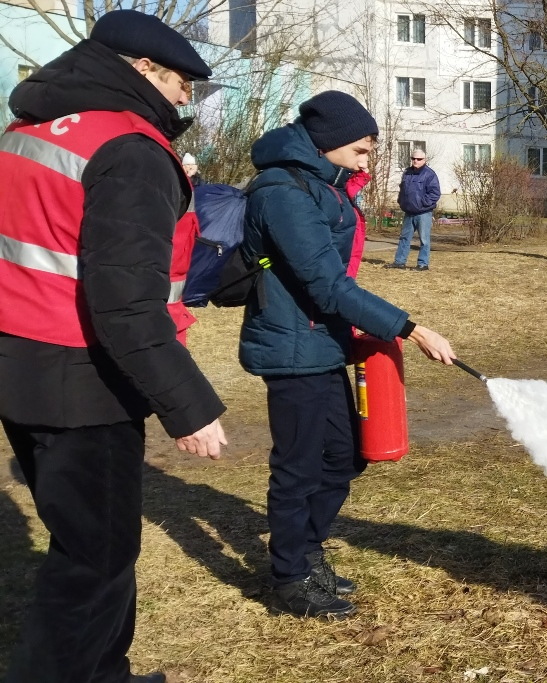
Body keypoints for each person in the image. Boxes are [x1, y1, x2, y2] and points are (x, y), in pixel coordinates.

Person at [0, 10, 227, 683]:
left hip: (21, 366)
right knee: (94, 556)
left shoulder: (29, 128)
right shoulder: (128, 148)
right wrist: (187, 406)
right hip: (84, 379)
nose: (188, 95)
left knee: (87, 543)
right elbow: (124, 302)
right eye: (180, 80)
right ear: (140, 71)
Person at [240, 91, 457, 620]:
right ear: (328, 142)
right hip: (292, 349)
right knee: (297, 467)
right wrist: (410, 328)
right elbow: (326, 283)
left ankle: (309, 552)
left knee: (343, 456)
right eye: (361, 150)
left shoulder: (324, 186)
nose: (367, 160)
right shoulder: (283, 192)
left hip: (322, 344)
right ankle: (289, 576)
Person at [386, 147, 440, 271]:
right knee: (404, 238)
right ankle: (399, 262)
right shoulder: (407, 172)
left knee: (424, 240)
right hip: (408, 212)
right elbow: (403, 189)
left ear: (424, 160)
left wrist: (422, 203)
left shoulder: (429, 174)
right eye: (413, 158)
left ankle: (422, 264)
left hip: (423, 213)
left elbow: (435, 193)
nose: (416, 161)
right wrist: (401, 201)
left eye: (419, 159)